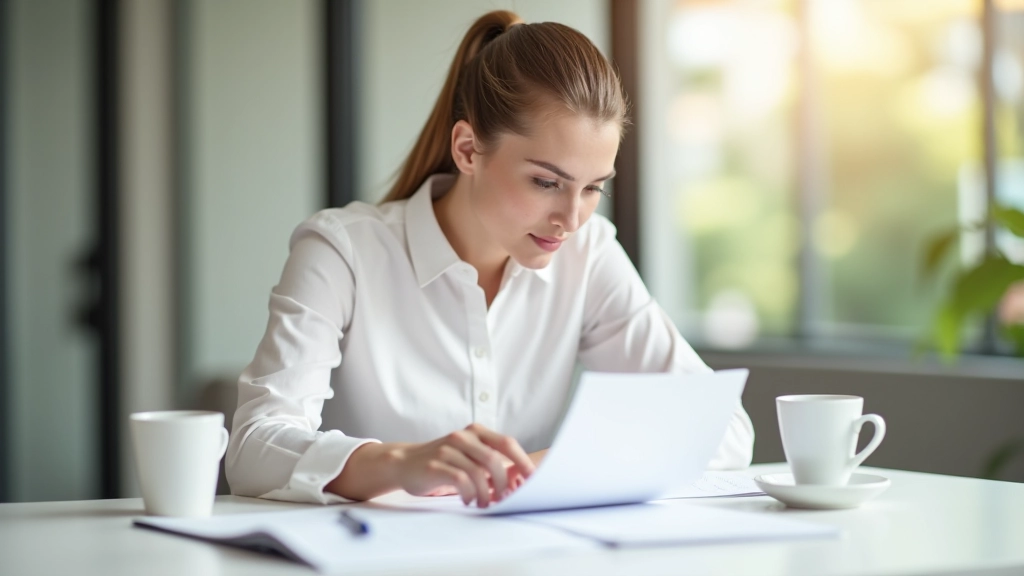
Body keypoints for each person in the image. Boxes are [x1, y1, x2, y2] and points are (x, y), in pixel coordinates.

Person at [225, 10, 754, 509]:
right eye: (546, 182)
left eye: (594, 188)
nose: (571, 218)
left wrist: (534, 469)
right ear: (467, 150)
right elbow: (253, 448)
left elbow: (726, 429)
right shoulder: (342, 252)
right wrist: (400, 463)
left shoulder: (588, 254)